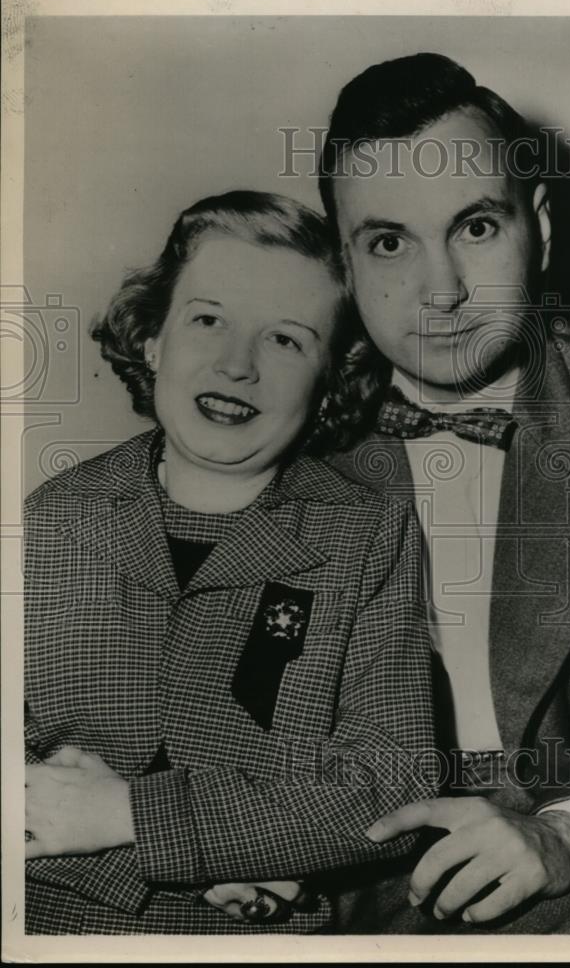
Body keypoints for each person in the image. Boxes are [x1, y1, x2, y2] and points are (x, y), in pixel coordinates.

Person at [23, 190, 435, 934]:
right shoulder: (55, 516)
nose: (236, 364)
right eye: (207, 319)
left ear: (329, 384)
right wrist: (220, 850)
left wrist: (132, 818)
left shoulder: (366, 535)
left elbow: (391, 789)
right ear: (152, 339)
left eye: (285, 340)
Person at [316, 53, 570, 933]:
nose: (442, 292)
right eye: (388, 242)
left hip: (567, 862)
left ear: (538, 226)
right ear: (345, 267)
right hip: (321, 866)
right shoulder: (287, 429)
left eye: (474, 227)